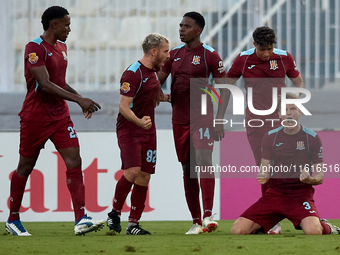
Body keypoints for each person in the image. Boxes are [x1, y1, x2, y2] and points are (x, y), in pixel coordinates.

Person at [6, 6, 105, 236]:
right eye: (66, 24)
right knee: (25, 166)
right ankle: (12, 219)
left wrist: (80, 98)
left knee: (74, 160)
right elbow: (45, 84)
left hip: (59, 116)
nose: (69, 29)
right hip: (36, 117)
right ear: (54, 25)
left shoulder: (62, 47)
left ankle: (81, 218)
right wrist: (78, 101)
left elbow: (59, 82)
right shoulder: (34, 47)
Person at [226, 26, 305, 234]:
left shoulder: (284, 57)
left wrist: (295, 106)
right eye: (263, 49)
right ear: (254, 45)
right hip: (255, 122)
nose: (267, 53)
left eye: (270, 49)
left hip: (281, 121)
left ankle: (300, 211)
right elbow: (227, 85)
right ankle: (272, 220)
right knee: (265, 167)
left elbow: (298, 83)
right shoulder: (242, 59)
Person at [158, 12, 230, 234]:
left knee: (204, 159)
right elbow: (157, 80)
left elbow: (225, 89)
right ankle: (196, 221)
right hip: (179, 119)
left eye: (186, 26)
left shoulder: (210, 55)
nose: (181, 29)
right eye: (180, 25)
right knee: (187, 168)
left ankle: (208, 215)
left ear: (198, 30)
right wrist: (155, 93)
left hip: (203, 117)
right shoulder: (173, 55)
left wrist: (219, 119)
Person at [230, 93, 340, 235]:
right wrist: (263, 175)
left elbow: (320, 176)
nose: (289, 113)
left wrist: (309, 179)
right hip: (275, 194)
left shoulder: (312, 138)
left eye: (293, 109)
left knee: (314, 231)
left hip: (300, 195)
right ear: (279, 115)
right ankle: (262, 227)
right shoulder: (270, 137)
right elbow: (265, 168)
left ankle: (327, 227)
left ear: (300, 111)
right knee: (237, 230)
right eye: (284, 110)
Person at [106, 33, 170, 235]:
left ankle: (133, 224)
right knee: (132, 171)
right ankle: (114, 213)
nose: (168, 56)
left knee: (144, 176)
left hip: (148, 131)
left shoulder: (153, 73)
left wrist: (185, 96)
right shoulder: (132, 73)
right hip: (130, 129)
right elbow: (124, 107)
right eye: (166, 51)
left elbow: (158, 97)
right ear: (154, 51)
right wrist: (139, 121)